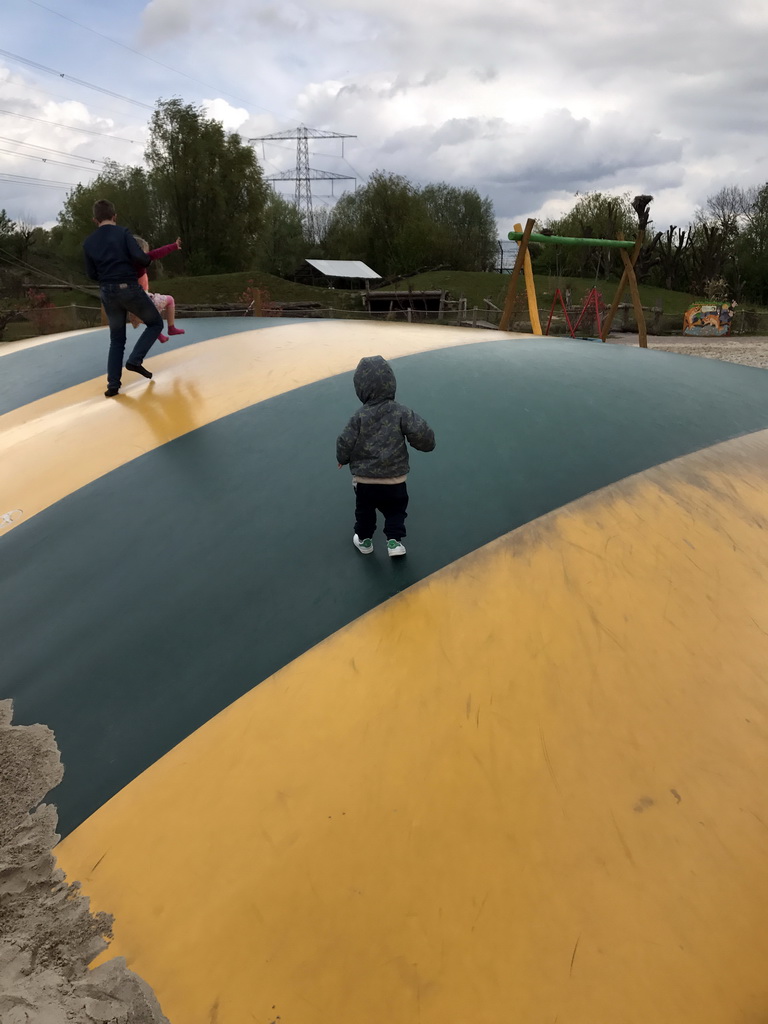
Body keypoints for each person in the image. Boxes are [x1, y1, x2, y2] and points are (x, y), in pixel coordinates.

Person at [336, 355, 435, 558]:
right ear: (391, 383)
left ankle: (364, 541)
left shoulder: (359, 417)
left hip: (365, 480)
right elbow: (422, 433)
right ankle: (394, 542)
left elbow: (345, 440)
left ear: (360, 388)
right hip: (395, 479)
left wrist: (342, 458)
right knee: (395, 511)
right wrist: (427, 444)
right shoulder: (402, 413)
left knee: (365, 511)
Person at [82, 199, 181, 397]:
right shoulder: (123, 233)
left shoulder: (89, 243)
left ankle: (113, 386)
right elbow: (142, 259)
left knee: (116, 339)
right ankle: (135, 360)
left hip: (107, 293)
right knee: (155, 324)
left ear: (95, 220)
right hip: (128, 289)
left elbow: (92, 274)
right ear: (115, 216)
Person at [129, 236, 185, 343]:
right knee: (170, 300)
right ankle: (171, 328)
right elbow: (158, 253)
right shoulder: (140, 262)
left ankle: (159, 335)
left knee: (150, 316)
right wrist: (173, 246)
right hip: (144, 299)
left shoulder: (126, 265)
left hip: (132, 301)